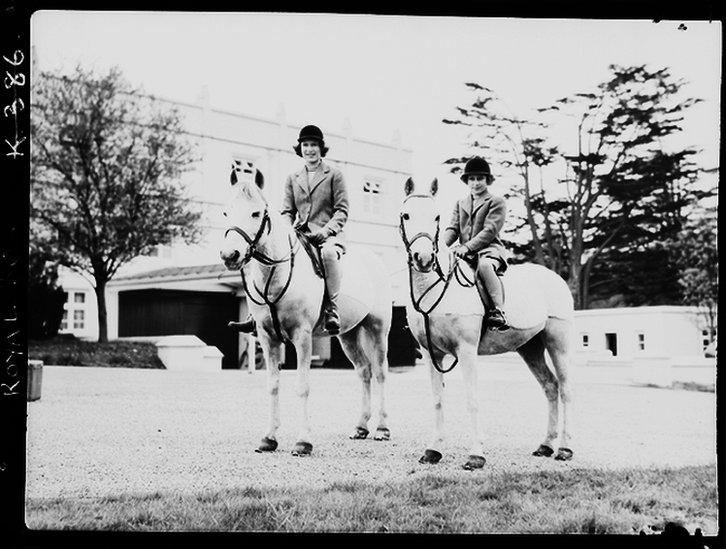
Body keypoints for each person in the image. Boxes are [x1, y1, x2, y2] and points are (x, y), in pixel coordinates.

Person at [233, 124, 349, 336]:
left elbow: (342, 211)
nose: (310, 149)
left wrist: (326, 231)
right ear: (300, 148)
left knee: (329, 255)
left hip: (327, 236)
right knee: (261, 254)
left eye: (314, 145)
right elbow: (287, 211)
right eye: (306, 145)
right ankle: (254, 314)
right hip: (300, 234)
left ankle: (332, 309)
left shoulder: (335, 175)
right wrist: (286, 232)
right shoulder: (292, 178)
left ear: (321, 148)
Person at [443, 156, 509, 330]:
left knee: (486, 266)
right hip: (465, 253)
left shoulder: (496, 202)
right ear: (467, 181)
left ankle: (498, 311)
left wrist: (467, 247)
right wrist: (441, 247)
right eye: (471, 179)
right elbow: (453, 228)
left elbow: (489, 231)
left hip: (489, 250)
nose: (476, 183)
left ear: (487, 180)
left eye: (480, 178)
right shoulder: (460, 203)